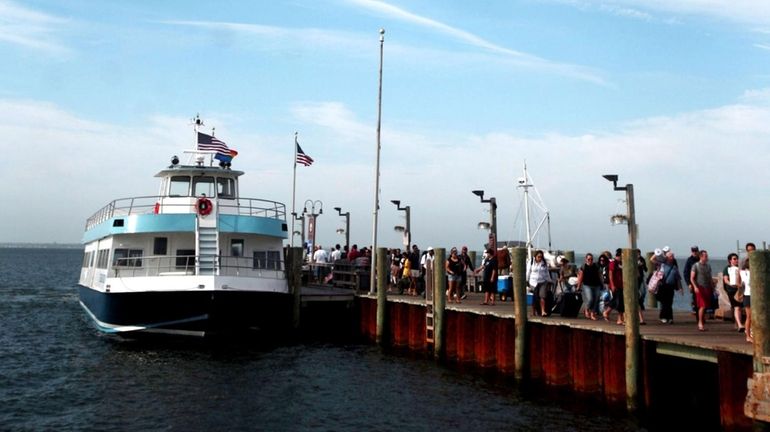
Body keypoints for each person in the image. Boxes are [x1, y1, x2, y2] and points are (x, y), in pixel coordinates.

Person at [690, 250, 714, 331]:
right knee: (702, 305)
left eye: (707, 256)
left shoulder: (708, 266)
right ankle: (700, 323)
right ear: (701, 257)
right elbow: (692, 278)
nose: (707, 257)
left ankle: (702, 321)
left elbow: (710, 278)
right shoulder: (695, 265)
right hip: (700, 287)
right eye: (705, 256)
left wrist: (713, 288)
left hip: (707, 287)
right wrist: (695, 287)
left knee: (706, 306)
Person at [722, 253, 745, 332]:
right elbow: (725, 280)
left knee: (739, 307)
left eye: (737, 259)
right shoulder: (727, 268)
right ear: (730, 260)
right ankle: (740, 324)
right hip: (731, 290)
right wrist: (732, 284)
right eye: (734, 259)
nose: (736, 260)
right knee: (737, 307)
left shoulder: (740, 268)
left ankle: (737, 324)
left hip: (739, 290)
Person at [577, 253, 602, 321]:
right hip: (587, 285)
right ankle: (586, 309)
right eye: (588, 259)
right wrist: (578, 286)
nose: (590, 261)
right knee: (590, 299)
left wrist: (602, 283)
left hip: (596, 285)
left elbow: (600, 275)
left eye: (591, 259)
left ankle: (592, 314)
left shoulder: (596, 266)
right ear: (586, 259)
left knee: (596, 300)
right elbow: (580, 277)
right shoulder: (583, 266)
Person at [657, 251, 681, 324]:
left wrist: (680, 288)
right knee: (664, 303)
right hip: (663, 286)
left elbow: (678, 278)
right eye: (671, 256)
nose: (672, 258)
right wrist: (659, 253)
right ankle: (663, 317)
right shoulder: (662, 265)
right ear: (667, 257)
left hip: (671, 287)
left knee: (670, 302)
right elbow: (652, 260)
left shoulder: (674, 267)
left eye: (673, 256)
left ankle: (670, 317)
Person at [527, 250, 552, 317]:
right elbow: (528, 271)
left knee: (542, 296)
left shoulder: (544, 263)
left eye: (541, 257)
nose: (540, 258)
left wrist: (549, 280)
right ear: (535, 256)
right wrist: (527, 281)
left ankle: (543, 311)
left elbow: (546, 273)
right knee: (535, 297)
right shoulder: (531, 262)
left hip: (542, 281)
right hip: (533, 282)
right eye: (538, 257)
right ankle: (533, 311)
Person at [604, 249, 625, 325]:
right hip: (615, 285)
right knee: (618, 302)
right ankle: (619, 318)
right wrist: (612, 285)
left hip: (621, 285)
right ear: (619, 255)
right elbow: (610, 275)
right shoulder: (613, 263)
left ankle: (607, 312)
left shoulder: (621, 263)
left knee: (617, 301)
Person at [738, 258, 753, 342]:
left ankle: (749, 334)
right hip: (748, 295)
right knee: (749, 316)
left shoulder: (741, 272)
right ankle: (748, 335)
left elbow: (739, 284)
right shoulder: (748, 273)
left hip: (747, 295)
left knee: (750, 317)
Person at [683, 246, 700, 314]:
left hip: (701, 281)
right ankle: (695, 310)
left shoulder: (700, 259)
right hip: (693, 282)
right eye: (693, 251)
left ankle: (700, 311)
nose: (694, 252)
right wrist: (688, 284)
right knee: (695, 297)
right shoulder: (689, 260)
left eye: (696, 251)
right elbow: (686, 272)